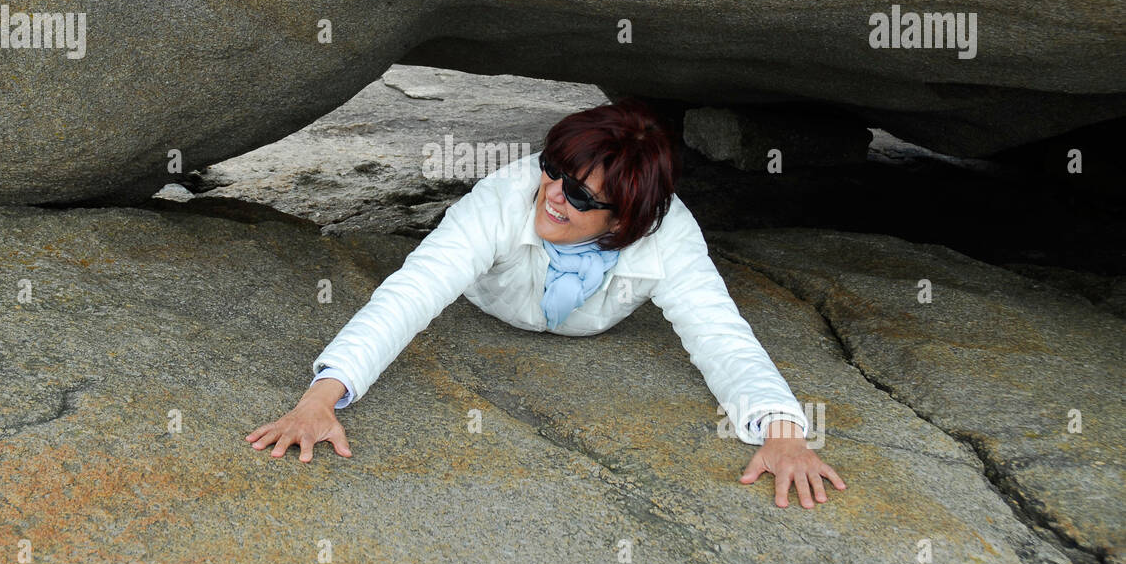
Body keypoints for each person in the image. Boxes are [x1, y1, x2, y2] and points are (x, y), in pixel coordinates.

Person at [247, 98, 846, 508]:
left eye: (581, 195)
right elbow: (413, 291)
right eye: (554, 168)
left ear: (629, 221)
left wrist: (783, 430)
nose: (553, 194)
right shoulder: (506, 196)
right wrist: (320, 399)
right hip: (495, 304)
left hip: (592, 324)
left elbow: (719, 332)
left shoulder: (670, 235)